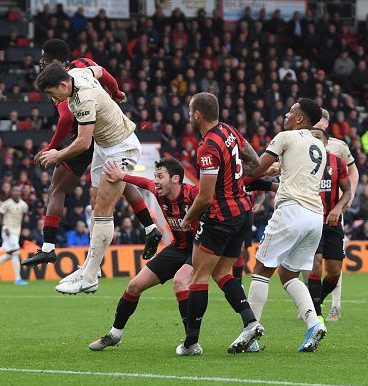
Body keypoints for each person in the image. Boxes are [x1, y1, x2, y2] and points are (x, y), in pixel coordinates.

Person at [21, 39, 161, 272]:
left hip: (85, 136)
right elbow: (104, 73)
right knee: (120, 181)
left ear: (54, 61)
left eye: (44, 58)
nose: (41, 62)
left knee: (57, 188)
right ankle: (150, 228)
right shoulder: (82, 64)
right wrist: (117, 93)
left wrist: (52, 148)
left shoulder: (60, 83)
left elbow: (66, 118)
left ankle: (49, 247)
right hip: (105, 129)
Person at [176, 93, 262, 356]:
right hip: (242, 213)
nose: (189, 116)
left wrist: (187, 218)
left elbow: (204, 197)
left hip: (220, 217)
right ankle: (250, 321)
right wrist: (235, 183)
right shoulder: (229, 130)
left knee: (197, 277)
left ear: (198, 114)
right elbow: (255, 161)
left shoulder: (207, 148)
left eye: (191, 111)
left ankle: (191, 343)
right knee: (223, 272)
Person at [88, 158, 199, 351]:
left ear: (175, 179)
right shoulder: (159, 193)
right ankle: (115, 335)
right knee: (134, 286)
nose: (155, 180)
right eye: (155, 176)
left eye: (160, 176)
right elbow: (143, 183)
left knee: (181, 282)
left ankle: (192, 343)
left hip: (201, 248)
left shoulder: (194, 193)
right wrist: (122, 176)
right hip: (177, 247)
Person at [245, 98, 328, 352]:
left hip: (292, 210)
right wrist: (274, 172)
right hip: (315, 216)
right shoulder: (320, 147)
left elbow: (256, 169)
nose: (286, 115)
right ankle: (314, 323)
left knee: (261, 268)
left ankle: (251, 332)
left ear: (300, 119)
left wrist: (239, 166)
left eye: (291, 112)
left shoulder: (285, 137)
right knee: (289, 273)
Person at [311, 109, 359, 321]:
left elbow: (352, 174)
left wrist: (347, 200)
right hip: (311, 214)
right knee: (314, 263)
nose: (319, 124)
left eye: (322, 121)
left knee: (334, 268)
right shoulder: (300, 145)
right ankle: (313, 306)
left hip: (334, 212)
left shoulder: (338, 148)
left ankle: (328, 304)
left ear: (327, 124)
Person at [306, 128, 351, 324]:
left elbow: (347, 191)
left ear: (325, 142)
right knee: (315, 264)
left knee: (334, 273)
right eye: (311, 137)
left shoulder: (337, 162)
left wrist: (338, 208)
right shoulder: (302, 162)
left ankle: (318, 299)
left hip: (333, 222)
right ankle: (315, 314)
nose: (314, 140)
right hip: (312, 220)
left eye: (318, 137)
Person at [0, 186, 28, 285]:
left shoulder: (24, 205)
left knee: (10, 254)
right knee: (16, 252)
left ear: (20, 193)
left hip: (16, 232)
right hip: (7, 231)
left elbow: (24, 215)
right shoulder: (6, 204)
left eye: (18, 191)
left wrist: (23, 225)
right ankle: (18, 278)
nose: (16, 192)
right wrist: (4, 226)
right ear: (11, 192)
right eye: (14, 190)